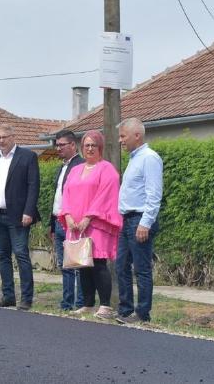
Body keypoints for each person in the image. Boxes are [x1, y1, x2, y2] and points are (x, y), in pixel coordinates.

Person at [59, 130, 122, 319]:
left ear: (100, 147)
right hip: (76, 225)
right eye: (86, 145)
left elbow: (106, 196)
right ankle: (87, 303)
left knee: (98, 263)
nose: (89, 148)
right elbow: (66, 194)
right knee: (82, 264)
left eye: (93, 145)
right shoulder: (76, 170)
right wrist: (68, 216)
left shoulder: (107, 169)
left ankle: (105, 306)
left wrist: (88, 217)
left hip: (96, 224)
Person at [0, 123, 40, 310]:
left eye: (4, 137)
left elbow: (33, 186)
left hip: (18, 216)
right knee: (3, 256)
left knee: (21, 254)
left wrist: (28, 211)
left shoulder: (27, 157)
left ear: (13, 137)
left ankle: (27, 298)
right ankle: (8, 296)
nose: (0, 141)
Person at [116, 118, 163, 324]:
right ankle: (126, 310)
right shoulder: (134, 158)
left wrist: (146, 222)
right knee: (121, 265)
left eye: (123, 136)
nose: (120, 141)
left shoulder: (149, 158)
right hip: (127, 219)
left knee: (141, 268)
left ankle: (142, 313)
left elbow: (154, 194)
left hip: (140, 219)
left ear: (137, 135)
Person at [49, 130, 85, 311]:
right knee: (65, 266)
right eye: (57, 144)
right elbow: (57, 198)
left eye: (62, 145)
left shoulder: (81, 166)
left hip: (74, 224)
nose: (58, 148)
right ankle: (67, 303)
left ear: (73, 145)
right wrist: (52, 224)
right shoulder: (62, 167)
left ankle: (79, 303)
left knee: (77, 265)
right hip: (59, 221)